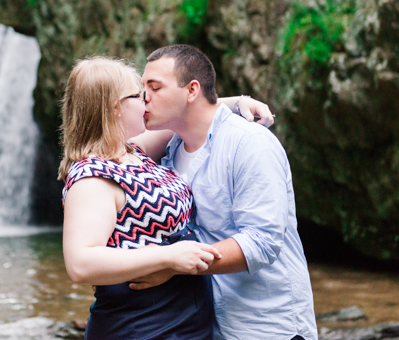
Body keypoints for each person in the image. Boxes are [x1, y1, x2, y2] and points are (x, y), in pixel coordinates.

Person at [59, 56, 274, 340]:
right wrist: (168, 257)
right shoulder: (93, 176)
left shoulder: (132, 152)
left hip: (184, 319)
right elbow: (80, 263)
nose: (147, 101)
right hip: (139, 325)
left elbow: (190, 116)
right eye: (138, 95)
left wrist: (236, 103)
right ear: (115, 108)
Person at [130, 44, 317, 340]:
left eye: (155, 87)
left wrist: (174, 264)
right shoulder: (171, 150)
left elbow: (262, 241)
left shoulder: (250, 144)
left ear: (191, 90)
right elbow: (114, 155)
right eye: (142, 89)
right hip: (207, 324)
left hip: (268, 326)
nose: (144, 98)